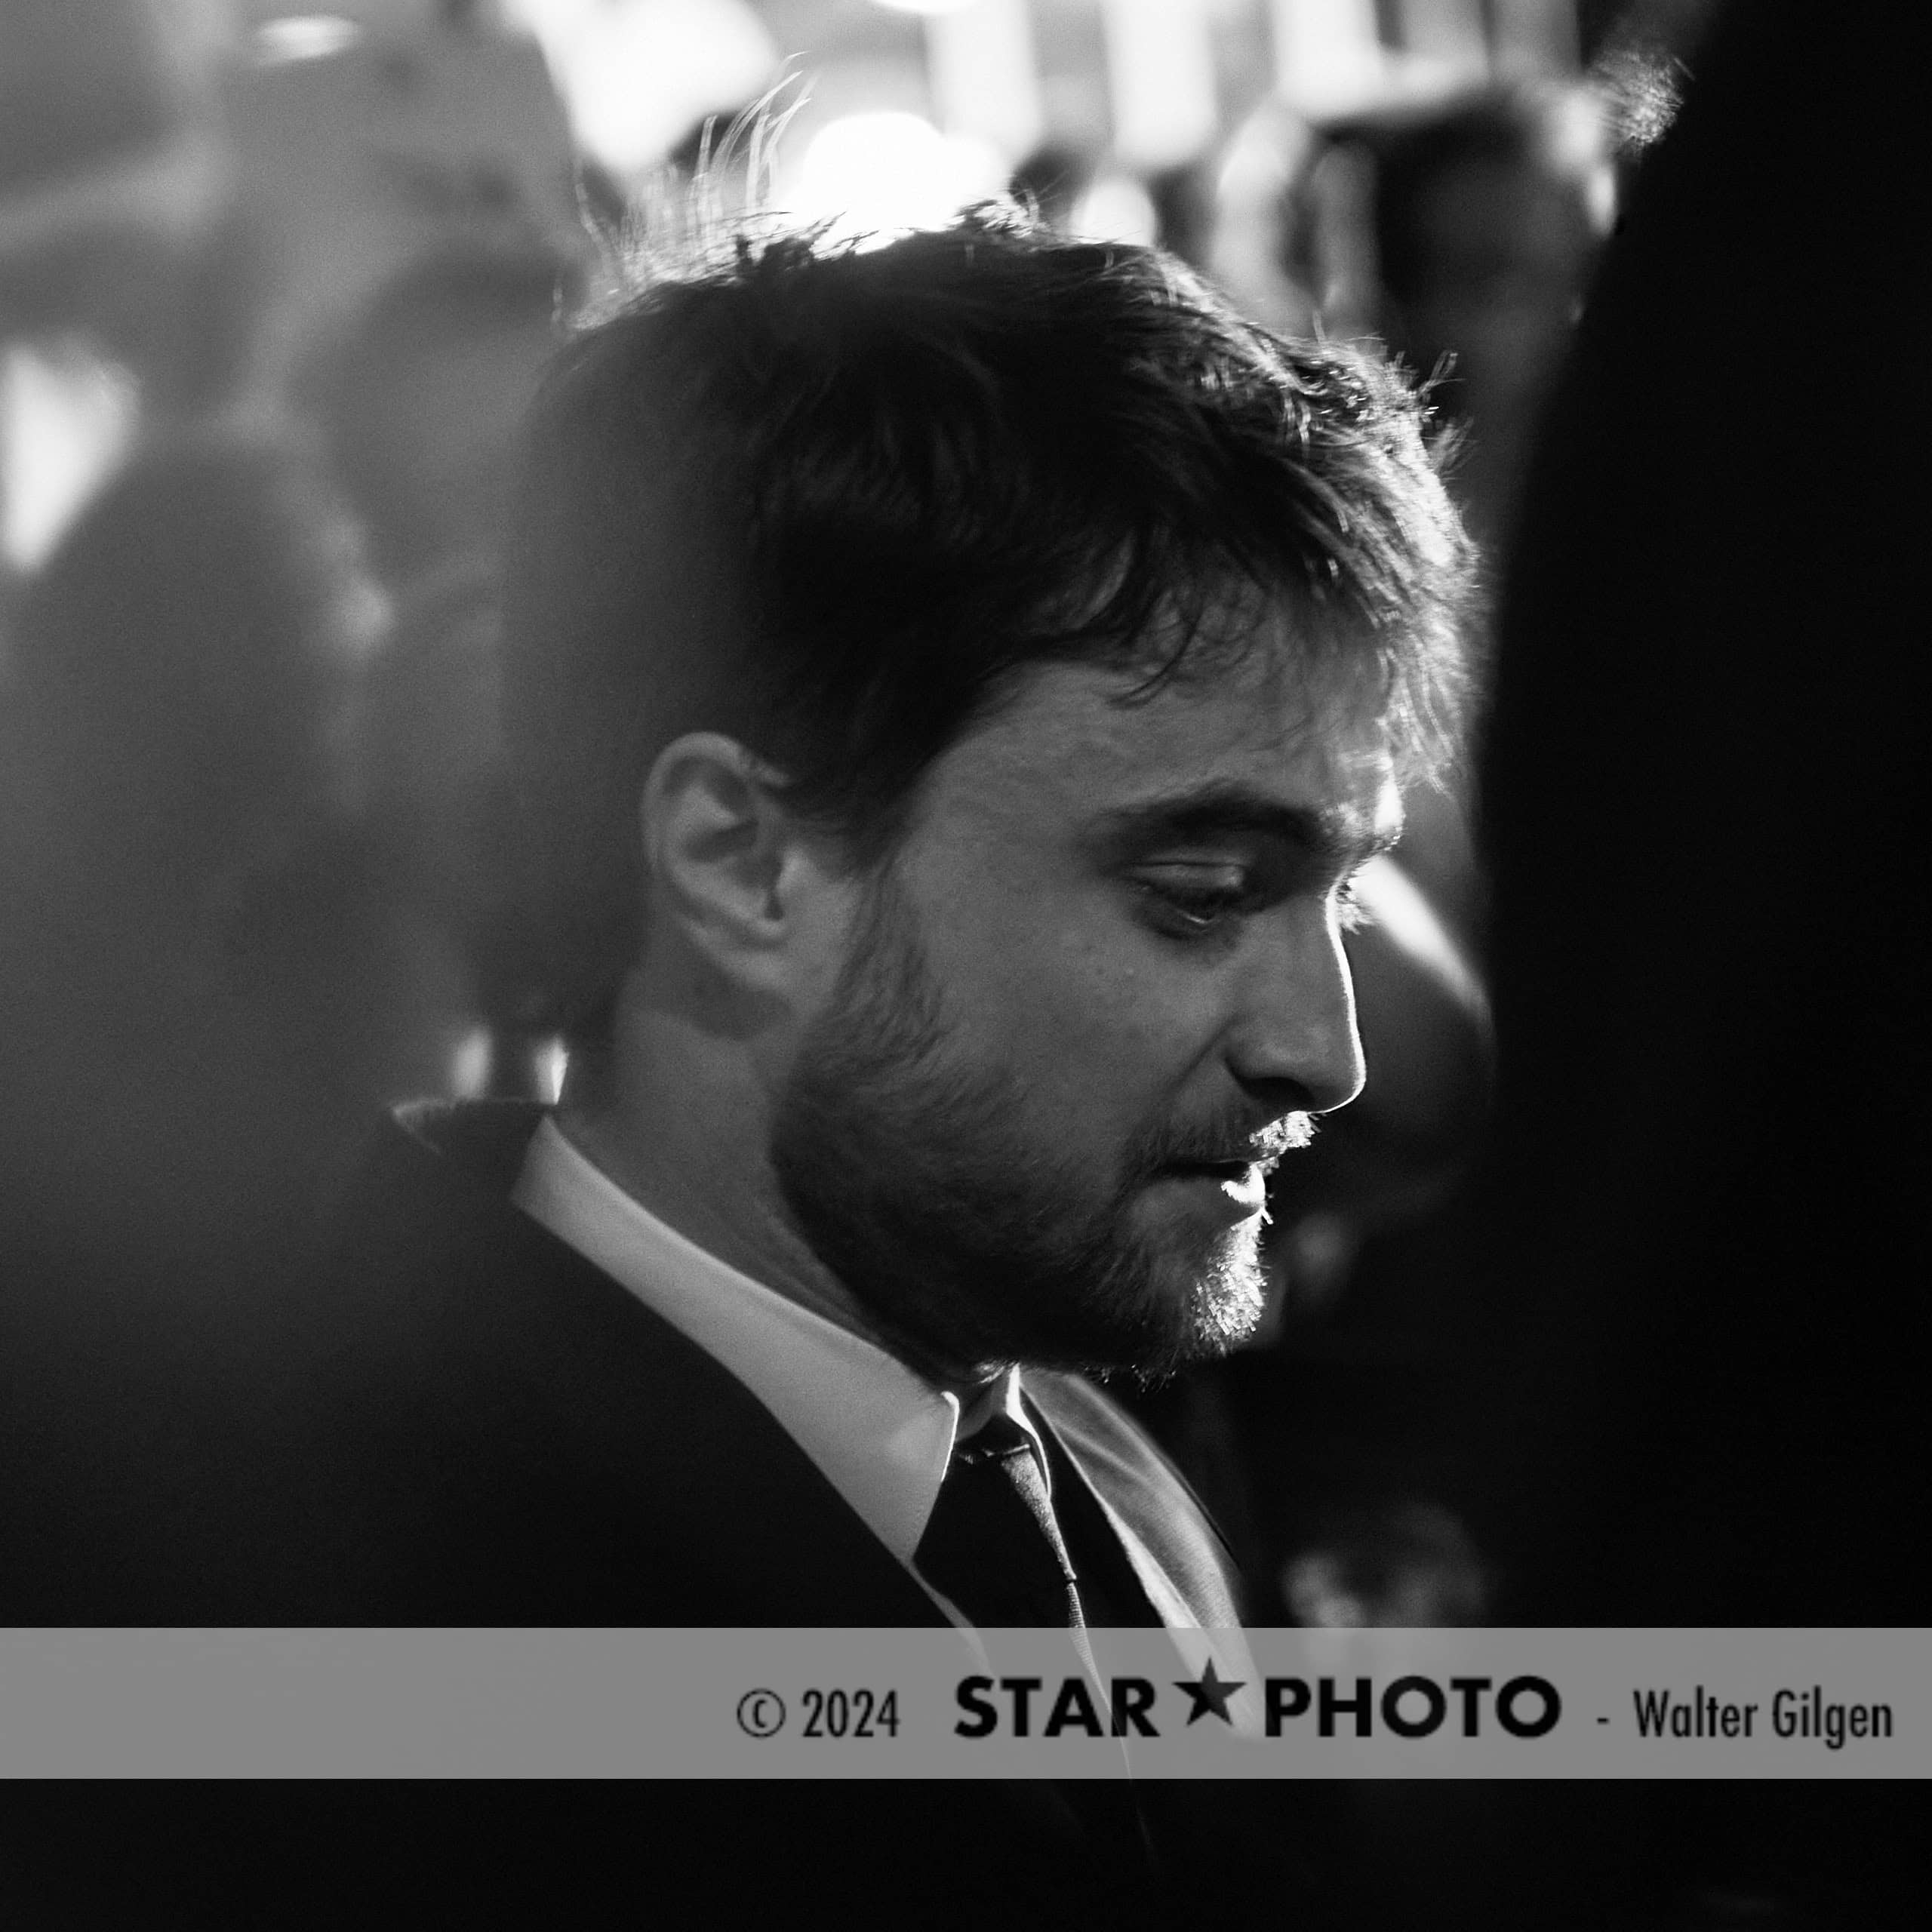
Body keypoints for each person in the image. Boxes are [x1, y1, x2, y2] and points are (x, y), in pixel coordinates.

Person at [29, 203, 1469, 1920]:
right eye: (1197, 893)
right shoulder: (307, 1633)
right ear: (736, 858)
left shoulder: (1097, 1455)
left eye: (1344, 898)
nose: (1320, 1051)